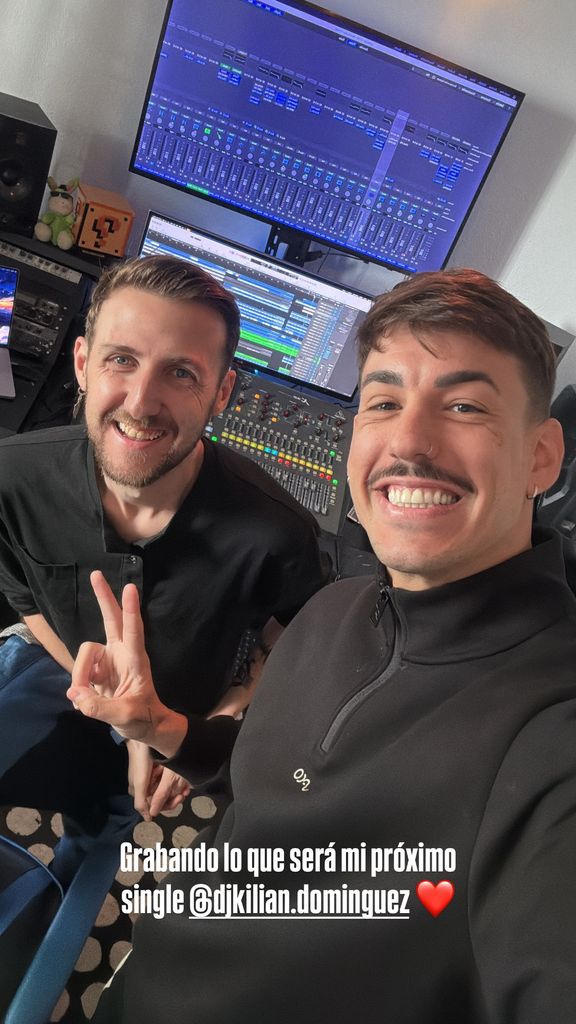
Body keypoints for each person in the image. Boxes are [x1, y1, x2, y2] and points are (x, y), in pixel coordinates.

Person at [70, 268, 576, 1024]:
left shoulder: (554, 731)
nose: (409, 441)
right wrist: (161, 726)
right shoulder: (339, 604)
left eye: (464, 405)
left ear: (541, 456)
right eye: (384, 402)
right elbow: (282, 775)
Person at [0, 254, 330, 841]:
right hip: (66, 676)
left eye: (180, 373)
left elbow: (293, 642)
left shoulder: (280, 532)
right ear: (82, 363)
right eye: (121, 360)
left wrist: (190, 732)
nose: (140, 403)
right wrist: (121, 714)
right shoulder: (11, 480)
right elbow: (24, 597)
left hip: (189, 720)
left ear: (222, 392)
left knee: (113, 839)